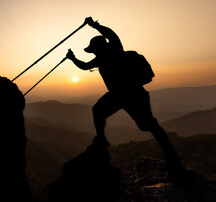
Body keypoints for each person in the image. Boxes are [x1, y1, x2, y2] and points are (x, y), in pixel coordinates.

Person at [66, 17, 180, 167]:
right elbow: (88, 63)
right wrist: (93, 28)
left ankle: (101, 140)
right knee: (145, 124)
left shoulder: (110, 51)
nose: (93, 53)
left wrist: (73, 56)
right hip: (130, 94)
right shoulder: (110, 52)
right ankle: (169, 151)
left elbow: (87, 63)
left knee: (142, 124)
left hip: (125, 95)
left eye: (93, 50)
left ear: (98, 49)